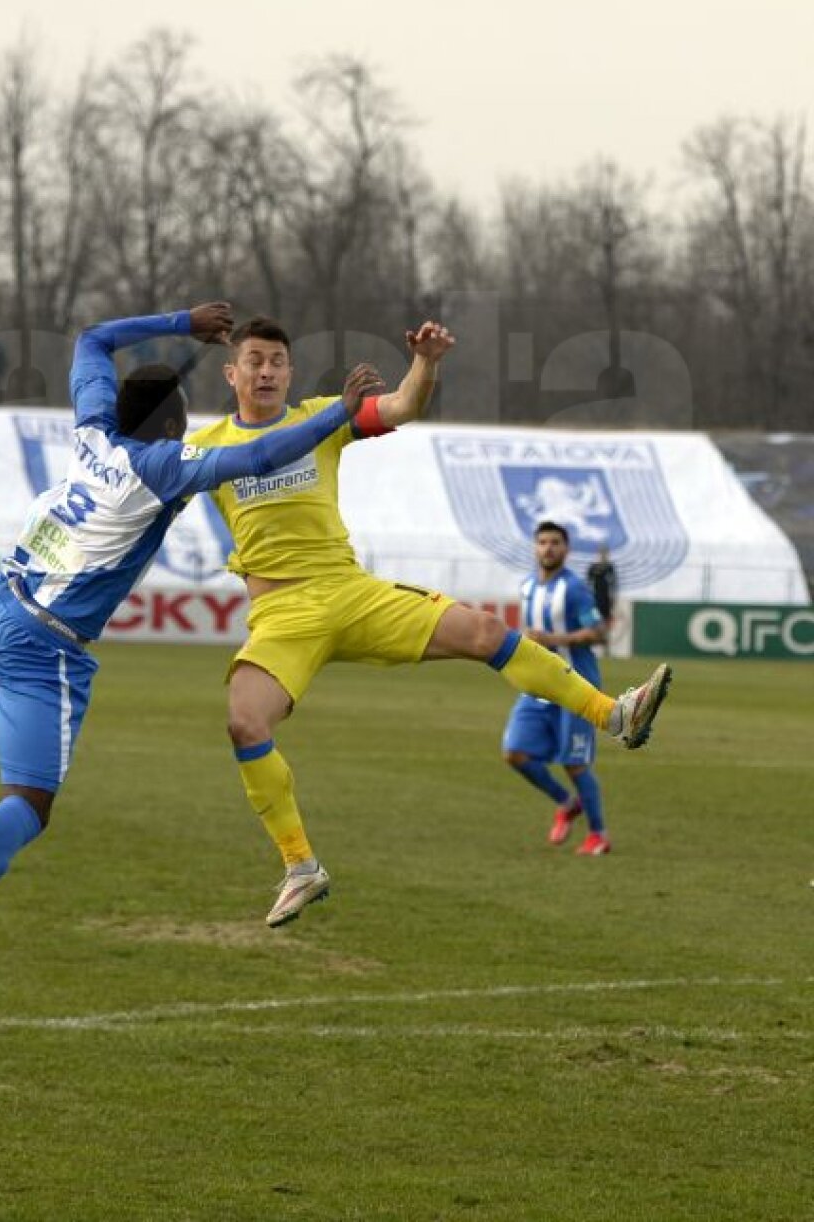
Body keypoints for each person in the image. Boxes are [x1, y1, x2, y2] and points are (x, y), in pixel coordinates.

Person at [0, 303, 383, 989]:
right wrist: (338, 414)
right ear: (174, 430)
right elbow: (260, 454)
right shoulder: (162, 465)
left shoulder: (92, 429)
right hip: (42, 644)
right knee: (29, 803)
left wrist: (182, 322)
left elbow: (92, 339)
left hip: (2, 595)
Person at [186, 316, 673, 928]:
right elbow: (148, 497)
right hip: (281, 615)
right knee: (244, 721)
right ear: (231, 373)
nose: (266, 372)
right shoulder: (203, 447)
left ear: (290, 372)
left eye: (277, 361)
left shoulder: (322, 416)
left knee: (485, 633)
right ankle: (300, 866)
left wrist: (427, 363)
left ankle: (615, 715)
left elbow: (403, 406)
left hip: (349, 592)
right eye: (254, 361)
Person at [503, 522, 611, 854]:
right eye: (543, 542)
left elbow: (599, 632)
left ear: (566, 549)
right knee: (515, 753)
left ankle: (598, 835)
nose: (548, 548)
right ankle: (566, 802)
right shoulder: (527, 586)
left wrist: (555, 639)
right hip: (537, 685)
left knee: (574, 763)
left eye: (555, 542)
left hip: (575, 686)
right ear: (535, 547)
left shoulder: (574, 589)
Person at [586, 545, 618, 626]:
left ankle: (605, 630)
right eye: (601, 553)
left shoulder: (609, 566)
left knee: (606, 617)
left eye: (605, 553)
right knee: (595, 617)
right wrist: (589, 595)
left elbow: (613, 582)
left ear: (608, 554)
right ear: (598, 554)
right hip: (595, 595)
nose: (603, 555)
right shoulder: (593, 567)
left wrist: (613, 596)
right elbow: (588, 582)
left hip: (606, 596)